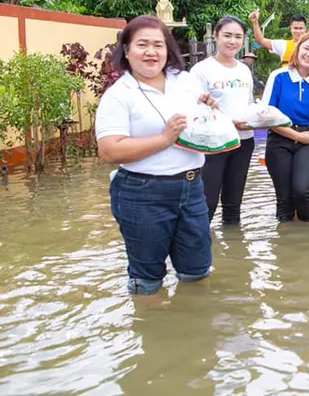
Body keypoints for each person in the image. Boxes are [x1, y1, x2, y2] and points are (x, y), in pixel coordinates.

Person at [95, 15, 218, 295]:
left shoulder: (185, 81)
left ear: (168, 50)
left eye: (158, 45)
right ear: (126, 51)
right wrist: (164, 139)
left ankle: (194, 331)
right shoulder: (119, 95)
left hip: (192, 186)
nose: (151, 52)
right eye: (142, 45)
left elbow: (201, 123)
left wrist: (209, 108)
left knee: (198, 271)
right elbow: (109, 150)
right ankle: (152, 332)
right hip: (142, 192)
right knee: (147, 279)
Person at [190, 16, 255, 226]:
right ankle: (200, 250)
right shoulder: (201, 70)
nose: (232, 41)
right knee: (207, 201)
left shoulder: (244, 70)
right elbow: (195, 109)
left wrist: (256, 119)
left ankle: (233, 252)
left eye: (238, 36)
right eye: (227, 35)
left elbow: (248, 103)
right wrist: (229, 122)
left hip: (243, 141)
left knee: (233, 202)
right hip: (213, 143)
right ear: (216, 36)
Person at [262, 31, 309, 222]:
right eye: (306, 48)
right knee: (283, 199)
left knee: (302, 191)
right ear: (298, 49)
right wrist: (295, 135)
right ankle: (286, 245)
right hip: (279, 138)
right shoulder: (279, 77)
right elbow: (267, 116)